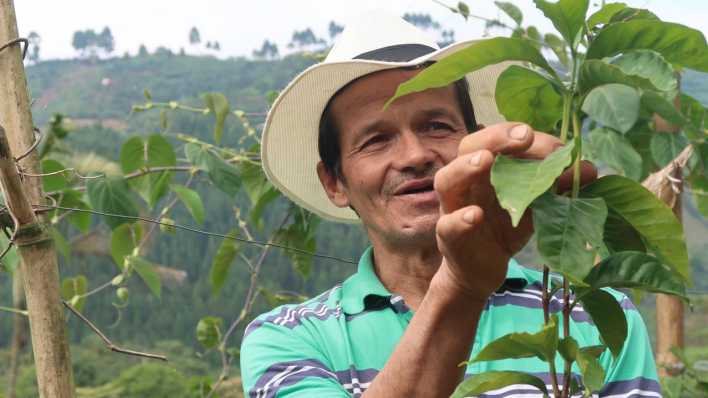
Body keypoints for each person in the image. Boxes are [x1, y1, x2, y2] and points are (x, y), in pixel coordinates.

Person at [240, 13, 660, 398]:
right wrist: (461, 286)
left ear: (476, 142)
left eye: (436, 126)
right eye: (376, 140)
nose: (414, 155)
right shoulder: (290, 337)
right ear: (334, 182)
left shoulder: (593, 317)